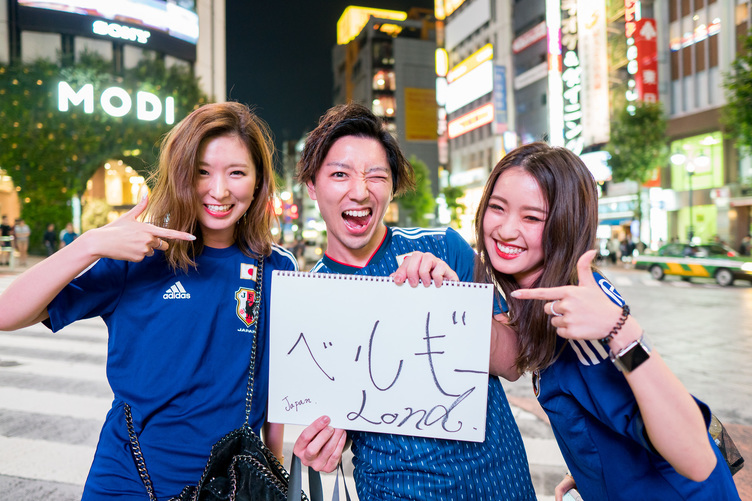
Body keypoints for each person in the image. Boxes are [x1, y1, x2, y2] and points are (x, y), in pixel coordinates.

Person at [0, 102, 297, 499]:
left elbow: (276, 388)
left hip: (228, 487)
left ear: (259, 181)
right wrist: (89, 245)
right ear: (180, 176)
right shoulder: (137, 254)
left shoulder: (276, 267)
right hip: (125, 479)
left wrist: (270, 478)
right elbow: (8, 313)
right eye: (202, 172)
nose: (220, 190)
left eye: (237, 173)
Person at [292, 103, 535, 500]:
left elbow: (513, 362)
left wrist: (455, 302)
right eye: (340, 175)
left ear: (391, 186)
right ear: (312, 186)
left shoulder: (444, 246)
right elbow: (329, 420)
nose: (360, 191)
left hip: (498, 482)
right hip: (393, 490)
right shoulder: (309, 299)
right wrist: (320, 448)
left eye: (376, 176)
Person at [473, 142, 740, 500]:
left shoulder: (578, 314)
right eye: (497, 208)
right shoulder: (546, 299)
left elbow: (696, 457)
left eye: (532, 217)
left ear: (565, 226)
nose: (505, 230)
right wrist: (592, 465)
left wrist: (621, 330)